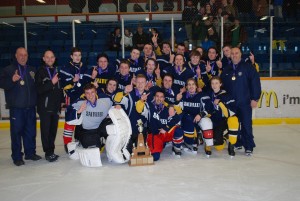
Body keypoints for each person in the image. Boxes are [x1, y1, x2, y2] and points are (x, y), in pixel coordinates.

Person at [0, 47, 41, 166]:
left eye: (25, 55)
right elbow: (2, 84)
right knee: (16, 133)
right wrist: (12, 80)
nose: (23, 57)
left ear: (27, 56)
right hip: (17, 108)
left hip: (31, 108)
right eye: (21, 55)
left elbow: (36, 89)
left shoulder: (32, 70)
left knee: (31, 132)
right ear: (16, 56)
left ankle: (30, 153)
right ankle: (17, 156)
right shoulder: (8, 70)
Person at [220, 47, 261, 156]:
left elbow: (255, 84)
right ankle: (236, 142)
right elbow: (221, 86)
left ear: (241, 54)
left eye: (236, 53)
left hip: (245, 102)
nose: (234, 55)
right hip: (231, 104)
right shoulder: (226, 69)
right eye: (232, 53)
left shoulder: (248, 68)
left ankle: (249, 146)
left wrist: (255, 98)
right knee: (233, 124)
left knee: (246, 125)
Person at [66, 83, 116, 149]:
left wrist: (118, 105)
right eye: (87, 93)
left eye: (92, 92)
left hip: (100, 128)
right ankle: (82, 140)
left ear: (96, 92)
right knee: (94, 150)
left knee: (112, 128)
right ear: (84, 94)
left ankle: (103, 139)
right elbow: (68, 117)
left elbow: (114, 102)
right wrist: (79, 111)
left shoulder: (105, 101)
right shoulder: (80, 103)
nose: (90, 95)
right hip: (88, 131)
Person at [138, 90, 184, 160]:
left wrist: (166, 128)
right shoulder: (149, 107)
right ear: (154, 97)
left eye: (161, 97)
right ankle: (161, 145)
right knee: (155, 157)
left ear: (164, 99)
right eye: (157, 96)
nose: (159, 98)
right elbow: (139, 110)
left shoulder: (167, 108)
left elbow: (177, 117)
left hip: (165, 133)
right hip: (155, 135)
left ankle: (176, 148)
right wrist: (141, 100)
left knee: (178, 130)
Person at [35, 50, 64, 162]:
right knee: (46, 131)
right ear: (43, 58)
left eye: (52, 57)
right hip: (45, 107)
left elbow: (60, 88)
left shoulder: (56, 70)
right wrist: (51, 82)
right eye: (47, 57)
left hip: (55, 106)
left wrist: (61, 100)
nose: (50, 59)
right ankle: (48, 152)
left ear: (54, 58)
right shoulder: (40, 72)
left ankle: (51, 151)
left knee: (53, 131)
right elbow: (38, 90)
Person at [60, 47, 89, 152]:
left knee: (81, 121)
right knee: (70, 121)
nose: (77, 57)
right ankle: (67, 143)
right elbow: (62, 84)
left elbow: (87, 82)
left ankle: (79, 140)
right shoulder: (65, 68)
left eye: (79, 55)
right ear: (71, 56)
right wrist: (72, 81)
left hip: (82, 98)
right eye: (75, 55)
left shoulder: (84, 67)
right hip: (71, 98)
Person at [176, 78, 214, 155]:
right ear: (186, 87)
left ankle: (208, 145)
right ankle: (188, 141)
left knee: (207, 122)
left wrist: (201, 114)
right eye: (189, 84)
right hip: (188, 120)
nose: (191, 86)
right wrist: (177, 100)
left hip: (199, 118)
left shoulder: (202, 95)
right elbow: (177, 110)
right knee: (183, 120)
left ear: (196, 86)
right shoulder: (182, 96)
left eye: (193, 84)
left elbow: (210, 108)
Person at [113, 74, 149, 153]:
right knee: (128, 152)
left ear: (146, 83)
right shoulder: (129, 94)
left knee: (140, 152)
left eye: (142, 82)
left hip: (142, 130)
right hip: (129, 129)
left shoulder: (149, 95)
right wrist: (124, 91)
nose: (140, 84)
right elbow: (116, 99)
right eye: (138, 82)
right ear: (135, 82)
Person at [209, 76, 239, 157]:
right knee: (218, 147)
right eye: (212, 83)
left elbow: (230, 113)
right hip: (215, 121)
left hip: (224, 120)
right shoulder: (209, 94)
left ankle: (231, 144)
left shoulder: (226, 95)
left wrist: (220, 103)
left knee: (234, 120)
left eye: (216, 83)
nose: (214, 85)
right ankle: (225, 137)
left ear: (220, 84)